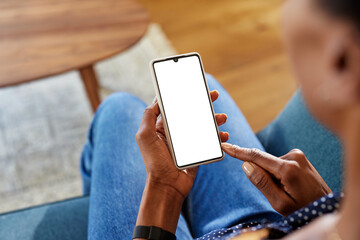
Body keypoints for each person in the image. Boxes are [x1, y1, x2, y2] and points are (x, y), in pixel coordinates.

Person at [80, 0, 360, 239]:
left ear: (342, 62)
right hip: (267, 224)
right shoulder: (334, 221)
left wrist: (162, 190)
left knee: (119, 109)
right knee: (203, 84)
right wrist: (321, 206)